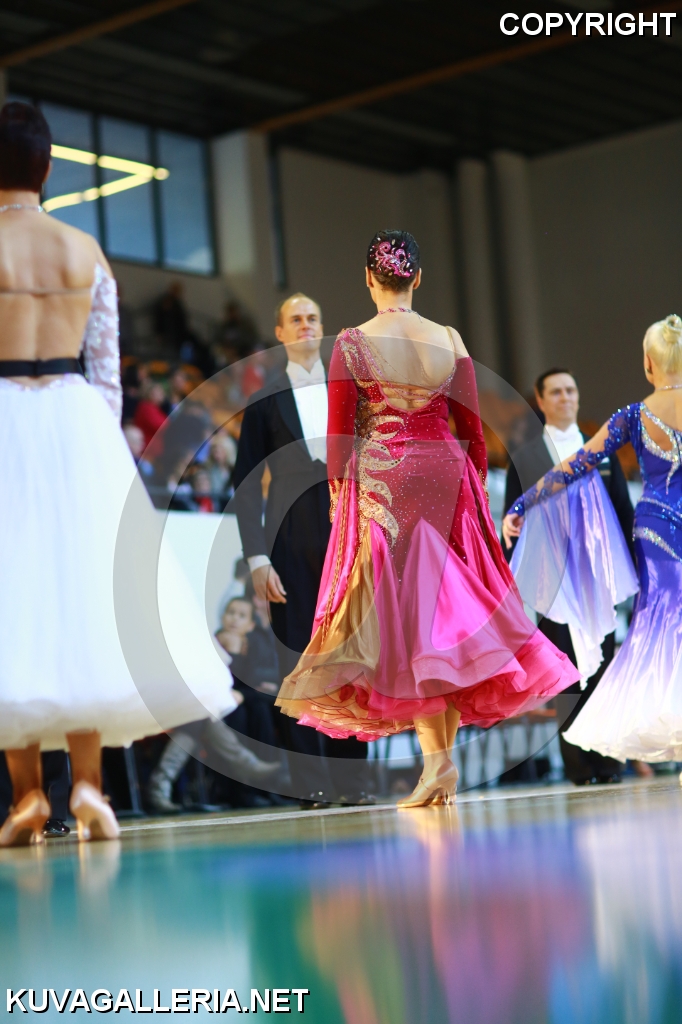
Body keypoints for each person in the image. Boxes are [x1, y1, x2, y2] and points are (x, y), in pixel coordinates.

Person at [0, 102, 235, 846]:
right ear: (47, 168)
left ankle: (27, 794)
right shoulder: (85, 250)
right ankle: (90, 787)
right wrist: (94, 446)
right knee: (84, 597)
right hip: (76, 420)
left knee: (15, 593)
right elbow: (107, 369)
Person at [276, 230, 579, 808]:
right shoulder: (449, 338)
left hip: (386, 480)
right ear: (417, 277)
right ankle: (439, 765)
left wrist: (341, 500)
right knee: (443, 623)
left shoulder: (353, 343)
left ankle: (437, 764)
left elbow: (340, 437)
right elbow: (472, 431)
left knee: (407, 626)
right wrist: (474, 493)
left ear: (369, 279)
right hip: (446, 475)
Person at [503, 314, 682, 766]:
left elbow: (576, 464)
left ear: (648, 364)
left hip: (656, 532)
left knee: (661, 626)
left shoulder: (634, 415)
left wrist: (523, 502)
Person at [232, 293, 371, 807]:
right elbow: (246, 485)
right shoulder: (264, 399)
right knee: (297, 660)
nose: (306, 324)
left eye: (313, 317)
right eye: (296, 319)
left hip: (348, 535)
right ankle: (310, 783)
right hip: (288, 539)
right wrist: (256, 558)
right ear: (281, 332)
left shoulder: (351, 393)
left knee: (352, 656)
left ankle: (353, 782)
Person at [504, 368, 634, 785]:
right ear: (541, 400)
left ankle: (608, 762)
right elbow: (512, 520)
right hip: (552, 583)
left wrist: (634, 571)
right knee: (564, 671)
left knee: (604, 667)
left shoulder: (600, 449)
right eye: (556, 392)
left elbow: (622, 511)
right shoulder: (525, 457)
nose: (565, 397)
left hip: (597, 578)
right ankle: (577, 766)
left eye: (570, 390)